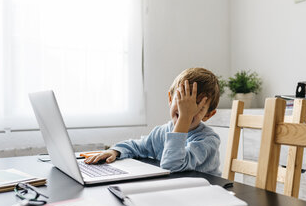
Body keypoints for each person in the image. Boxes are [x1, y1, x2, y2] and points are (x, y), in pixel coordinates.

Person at [85, 67, 221, 176]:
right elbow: (137, 146)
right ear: (170, 98)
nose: (186, 110)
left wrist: (184, 118)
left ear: (208, 115)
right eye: (181, 101)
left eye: (195, 106)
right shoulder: (161, 132)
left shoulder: (208, 140)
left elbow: (172, 166)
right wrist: (115, 151)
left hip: (203, 195)